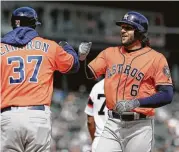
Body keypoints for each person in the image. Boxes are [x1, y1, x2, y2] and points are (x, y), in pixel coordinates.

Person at [78, 11, 174, 152]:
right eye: (122, 27)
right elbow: (89, 74)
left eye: (128, 28)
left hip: (140, 125)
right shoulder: (109, 53)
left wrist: (136, 102)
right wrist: (82, 58)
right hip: (113, 123)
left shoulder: (156, 58)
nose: (122, 31)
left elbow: (167, 94)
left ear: (140, 32)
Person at [1, 6, 91, 152]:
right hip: (37, 116)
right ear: (33, 25)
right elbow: (73, 65)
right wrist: (67, 47)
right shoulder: (49, 47)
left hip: (8, 116)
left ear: (13, 24)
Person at [84, 78, 109, 152]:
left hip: (99, 140)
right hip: (118, 140)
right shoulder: (123, 85)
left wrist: (94, 141)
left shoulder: (96, 87)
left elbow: (90, 121)